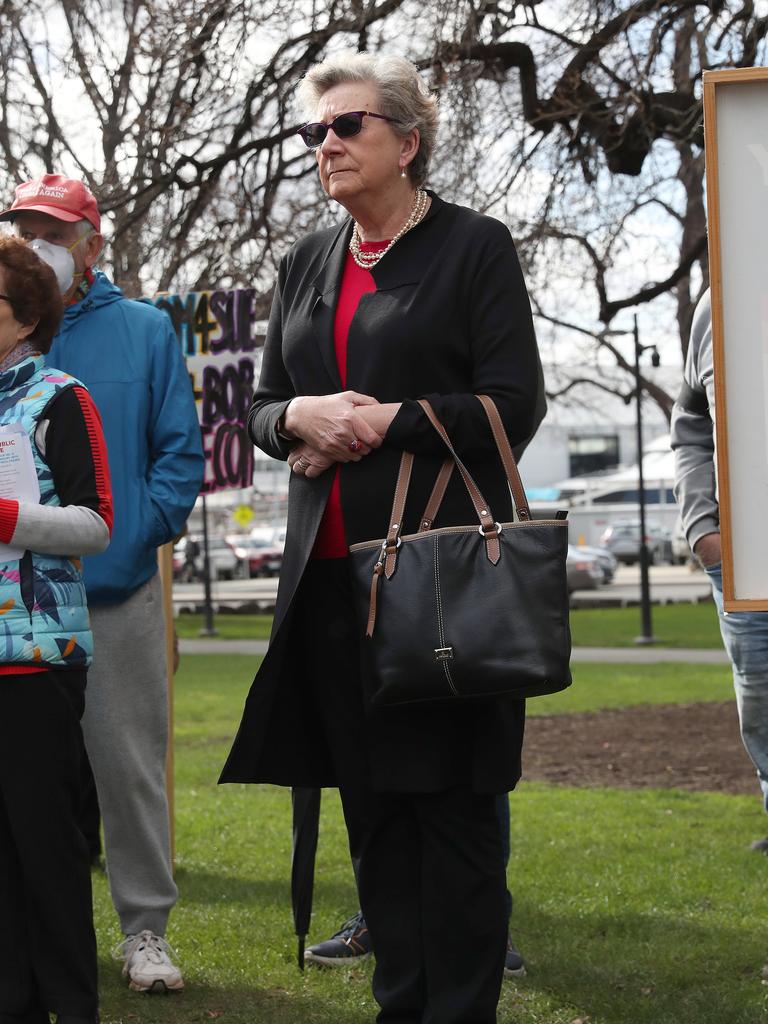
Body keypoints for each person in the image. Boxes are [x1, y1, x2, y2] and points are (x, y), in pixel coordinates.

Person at [220, 52, 542, 1023]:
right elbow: (266, 410)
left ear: (407, 141)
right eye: (312, 133)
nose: (325, 146)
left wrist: (378, 421)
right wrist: (299, 419)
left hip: (441, 590)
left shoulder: (473, 248)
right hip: (329, 595)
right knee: (376, 832)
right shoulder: (303, 264)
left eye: (345, 126)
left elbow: (512, 406)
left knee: (454, 825)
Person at [0, 174, 205, 993]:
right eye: (22, 225)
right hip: (18, 609)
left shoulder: (146, 331)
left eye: (52, 228)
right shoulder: (7, 329)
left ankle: (145, 931)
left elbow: (178, 456)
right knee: (29, 781)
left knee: (128, 769)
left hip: (115, 592)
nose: (35, 239)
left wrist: (126, 544)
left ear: (92, 243)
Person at [0, 236, 113, 1024]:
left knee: (45, 846)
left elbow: (97, 523)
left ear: (25, 316)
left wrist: (8, 517)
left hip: (36, 657)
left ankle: (69, 1004)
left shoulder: (61, 398)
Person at [672, 289, 768, 849]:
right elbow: (689, 420)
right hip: (740, 556)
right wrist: (703, 529)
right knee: (759, 694)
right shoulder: (722, 299)